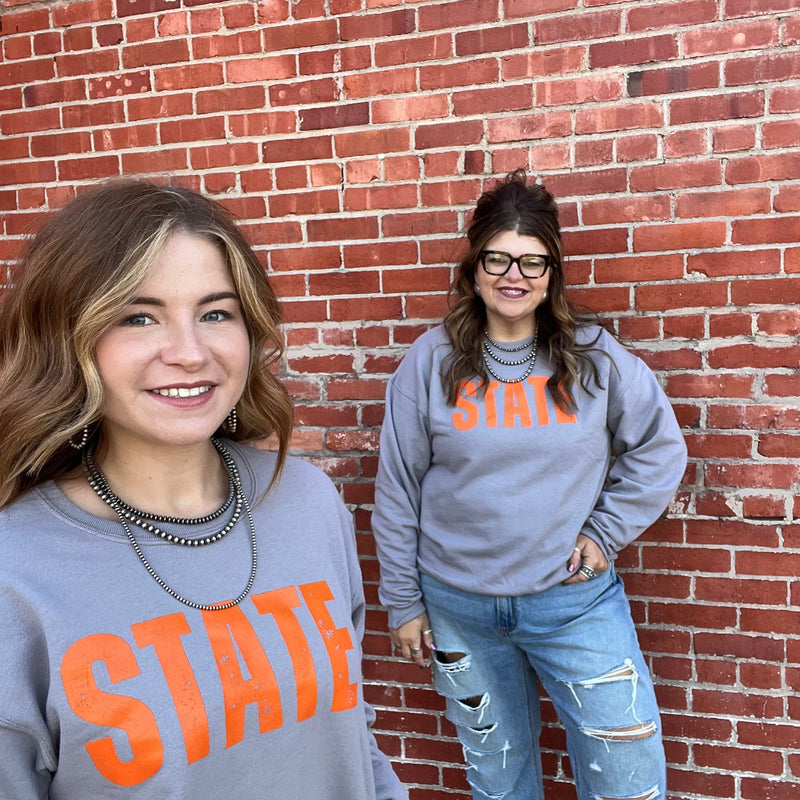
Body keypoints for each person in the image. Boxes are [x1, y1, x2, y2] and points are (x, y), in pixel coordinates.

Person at [0, 179, 406, 800]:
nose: (190, 353)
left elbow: (352, 728)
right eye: (139, 316)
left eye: (216, 313)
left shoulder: (307, 500)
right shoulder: (17, 570)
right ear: (68, 336)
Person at [372, 170, 687, 800]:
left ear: (552, 273)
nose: (514, 276)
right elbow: (398, 487)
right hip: (457, 609)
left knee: (629, 777)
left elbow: (660, 450)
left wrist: (604, 533)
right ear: (475, 265)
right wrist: (403, 603)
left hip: (571, 604)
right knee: (499, 777)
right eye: (498, 258)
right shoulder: (430, 362)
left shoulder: (594, 359)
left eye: (532, 261)